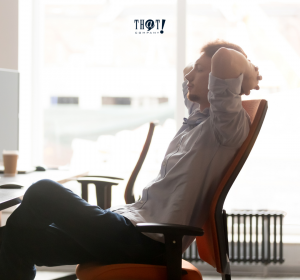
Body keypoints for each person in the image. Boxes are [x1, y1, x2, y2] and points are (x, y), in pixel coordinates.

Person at [0, 40, 262, 280]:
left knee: (42, 191)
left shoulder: (226, 127)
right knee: (16, 241)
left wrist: (247, 72)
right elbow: (191, 70)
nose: (189, 76)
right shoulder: (197, 118)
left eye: (201, 71)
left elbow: (225, 58)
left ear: (221, 83)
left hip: (147, 243)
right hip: (131, 230)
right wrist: (201, 67)